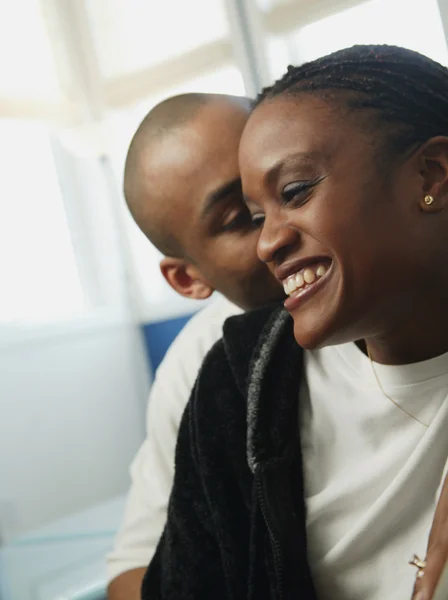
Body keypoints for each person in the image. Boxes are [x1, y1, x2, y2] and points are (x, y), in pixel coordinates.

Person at [141, 45, 448, 600]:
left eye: (295, 192)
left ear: (433, 173)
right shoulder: (237, 382)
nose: (267, 243)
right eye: (254, 218)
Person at [106, 93, 284, 600]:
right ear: (188, 278)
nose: (283, 227)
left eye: (292, 186)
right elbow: (133, 569)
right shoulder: (204, 370)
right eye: (243, 217)